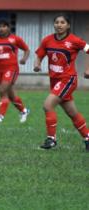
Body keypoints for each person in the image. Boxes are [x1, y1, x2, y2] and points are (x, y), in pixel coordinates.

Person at [34, 14, 89, 150]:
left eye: (62, 22)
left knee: (47, 105)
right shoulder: (47, 40)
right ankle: (87, 138)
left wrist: (88, 69)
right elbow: (39, 54)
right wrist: (37, 64)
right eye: (57, 22)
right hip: (55, 81)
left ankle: (51, 139)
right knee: (72, 113)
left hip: (68, 79)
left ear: (68, 25)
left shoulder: (74, 40)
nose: (59, 25)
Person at [0, 19, 30, 123]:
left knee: (2, 90)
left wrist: (24, 59)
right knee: (11, 96)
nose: (1, 29)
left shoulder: (15, 39)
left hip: (11, 69)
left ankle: (0, 115)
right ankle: (24, 111)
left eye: (4, 26)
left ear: (8, 27)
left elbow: (26, 49)